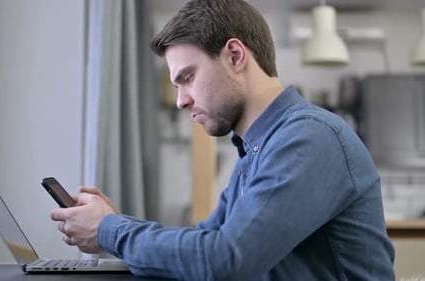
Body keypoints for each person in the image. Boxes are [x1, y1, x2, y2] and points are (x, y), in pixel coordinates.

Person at [50, 0, 395, 280]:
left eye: (187, 77)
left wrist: (110, 230)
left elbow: (227, 261)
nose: (182, 99)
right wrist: (113, 223)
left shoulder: (310, 137)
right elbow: (208, 243)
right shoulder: (257, 153)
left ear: (234, 56)